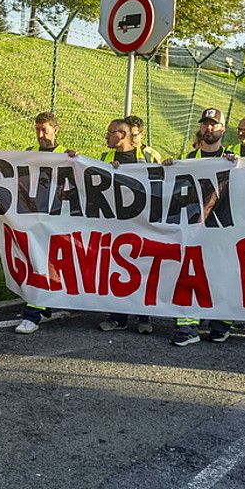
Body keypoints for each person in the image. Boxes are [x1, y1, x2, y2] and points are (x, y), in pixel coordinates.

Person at [177, 109, 235, 346]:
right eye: (205, 124)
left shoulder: (233, 159)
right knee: (189, 275)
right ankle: (187, 326)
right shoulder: (188, 157)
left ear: (223, 129)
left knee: (221, 276)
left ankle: (221, 323)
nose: (209, 128)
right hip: (192, 226)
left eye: (214, 124)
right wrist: (169, 168)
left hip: (222, 227)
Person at [98, 119, 154, 335]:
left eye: (110, 132)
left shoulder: (148, 156)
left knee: (142, 268)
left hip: (142, 223)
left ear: (122, 134)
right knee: (117, 270)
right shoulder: (104, 158)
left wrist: (170, 165)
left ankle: (144, 316)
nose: (107, 136)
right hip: (115, 223)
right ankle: (117, 317)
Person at [15, 112, 68, 335]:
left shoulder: (67, 155)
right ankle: (37, 308)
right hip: (33, 217)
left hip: (57, 219)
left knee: (49, 263)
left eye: (44, 129)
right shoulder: (29, 154)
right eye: (37, 130)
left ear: (55, 129)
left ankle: (37, 310)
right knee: (37, 262)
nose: (40, 134)